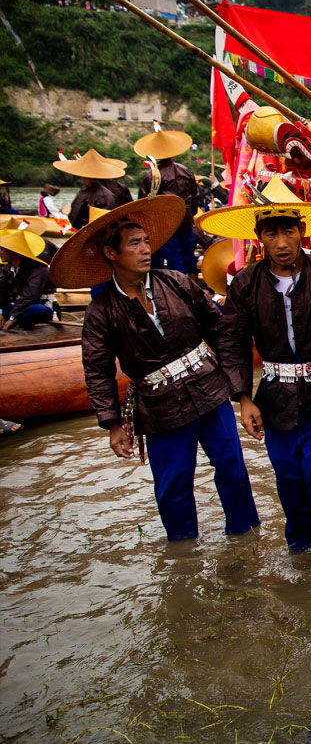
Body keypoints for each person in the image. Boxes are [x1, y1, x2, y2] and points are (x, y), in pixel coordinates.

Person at [50, 196, 258, 541]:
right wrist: (113, 424)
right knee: (173, 484)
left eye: (146, 241)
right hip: (160, 406)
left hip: (210, 389)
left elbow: (219, 331)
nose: (146, 249)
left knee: (232, 466)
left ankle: (246, 535)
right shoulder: (102, 312)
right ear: (111, 254)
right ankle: (183, 551)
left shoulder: (176, 281)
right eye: (135, 244)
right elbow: (97, 370)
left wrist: (241, 391)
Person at [206, 179, 311, 561]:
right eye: (271, 233)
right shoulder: (244, 284)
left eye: (288, 231)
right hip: (274, 398)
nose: (281, 242)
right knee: (289, 479)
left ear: (302, 232)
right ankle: (301, 543)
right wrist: (244, 399)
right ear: (259, 237)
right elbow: (233, 341)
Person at [135, 125, 200, 274]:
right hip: (185, 220)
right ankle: (193, 285)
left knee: (173, 256)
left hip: (164, 223)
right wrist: (190, 214)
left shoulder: (152, 175)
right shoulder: (186, 171)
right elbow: (196, 196)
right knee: (188, 253)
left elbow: (144, 203)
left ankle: (179, 287)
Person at [55, 149, 133, 229]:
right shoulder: (111, 191)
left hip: (92, 231)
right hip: (115, 228)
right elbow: (130, 209)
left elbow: (75, 217)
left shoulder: (85, 193)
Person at [0, 226, 56, 330]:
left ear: (14, 251)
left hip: (37, 306)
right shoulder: (6, 268)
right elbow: (2, 291)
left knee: (35, 310)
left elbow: (30, 296)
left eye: (2, 249)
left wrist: (12, 319)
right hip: (17, 307)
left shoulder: (39, 269)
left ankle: (17, 326)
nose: (0, 252)